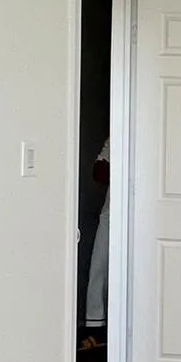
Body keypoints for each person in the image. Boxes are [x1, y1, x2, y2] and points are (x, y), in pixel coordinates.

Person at [80, 138, 109, 350]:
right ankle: (97, 330)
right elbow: (98, 170)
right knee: (100, 267)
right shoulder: (119, 131)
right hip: (114, 212)